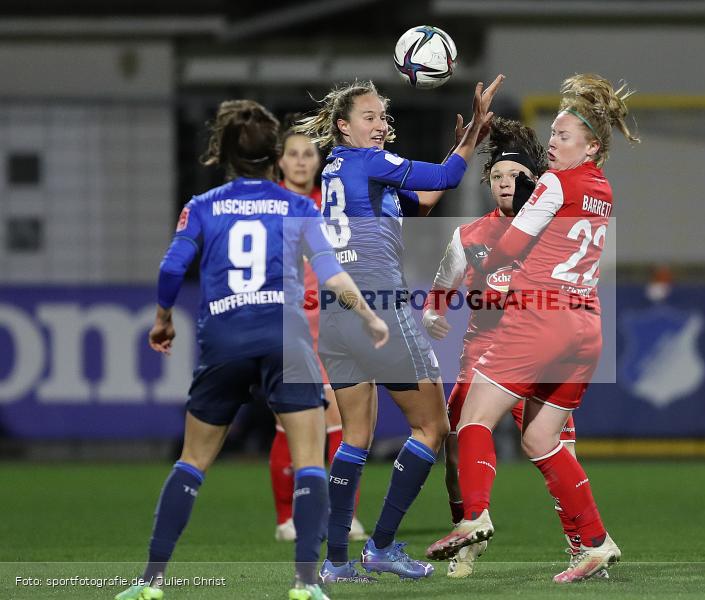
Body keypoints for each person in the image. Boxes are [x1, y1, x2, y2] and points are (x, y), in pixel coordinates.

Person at [115, 100, 388, 600]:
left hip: (224, 337)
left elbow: (172, 267)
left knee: (192, 461)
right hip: (285, 338)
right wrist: (368, 316)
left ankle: (150, 581)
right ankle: (306, 583)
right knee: (310, 460)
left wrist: (163, 318)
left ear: (223, 153)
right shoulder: (298, 207)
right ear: (274, 154)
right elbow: (330, 271)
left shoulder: (202, 205)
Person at [426, 74, 639, 583]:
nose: (553, 143)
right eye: (553, 134)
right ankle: (595, 543)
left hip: (542, 317)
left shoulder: (555, 183)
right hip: (586, 326)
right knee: (543, 439)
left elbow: (509, 246)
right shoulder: (602, 189)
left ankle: (474, 517)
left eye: (563, 136)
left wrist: (490, 266)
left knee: (473, 419)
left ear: (591, 146)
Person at [293, 74, 503, 582]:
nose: (380, 124)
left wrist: (461, 143)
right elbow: (445, 177)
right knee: (432, 429)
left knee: (355, 436)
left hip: (337, 316)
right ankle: (381, 546)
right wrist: (473, 134)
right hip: (379, 307)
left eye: (383, 116)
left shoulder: (345, 173)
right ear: (343, 127)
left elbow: (424, 200)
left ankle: (336, 562)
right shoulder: (369, 162)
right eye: (368, 116)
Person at [423, 117, 589, 578]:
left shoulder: (554, 230)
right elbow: (439, 290)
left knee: (559, 452)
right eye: (497, 175)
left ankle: (582, 545)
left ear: (535, 181)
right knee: (456, 445)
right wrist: (433, 315)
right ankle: (468, 537)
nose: (504, 183)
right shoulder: (468, 236)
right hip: (483, 353)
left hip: (540, 352)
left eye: (515, 175)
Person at [270, 122, 368, 544]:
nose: (301, 161)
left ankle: (342, 515)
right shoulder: (267, 207)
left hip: (331, 325)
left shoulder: (330, 205)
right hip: (285, 326)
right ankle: (287, 517)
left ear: (318, 162)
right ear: (280, 161)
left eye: (308, 154)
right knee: (290, 422)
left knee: (340, 420)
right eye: (293, 154)